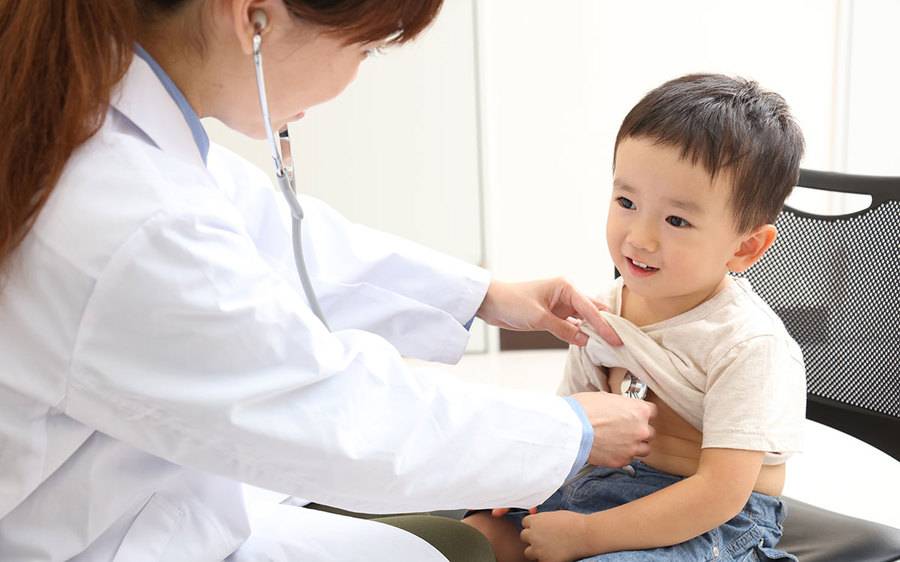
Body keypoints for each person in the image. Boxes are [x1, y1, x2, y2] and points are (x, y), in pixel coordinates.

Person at [0, 1, 658, 561]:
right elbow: (335, 412)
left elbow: (280, 240)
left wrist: (481, 293)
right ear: (255, 18)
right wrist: (569, 430)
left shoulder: (101, 120)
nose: (354, 76)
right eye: (365, 49)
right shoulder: (128, 216)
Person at [464, 74, 807, 562]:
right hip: (606, 486)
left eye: (677, 221)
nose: (640, 238)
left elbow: (721, 493)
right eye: (627, 203)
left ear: (745, 246)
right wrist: (527, 479)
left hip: (711, 518)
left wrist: (589, 538)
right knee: (476, 534)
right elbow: (573, 426)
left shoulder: (748, 344)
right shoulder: (604, 310)